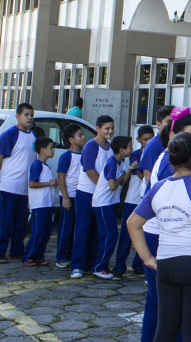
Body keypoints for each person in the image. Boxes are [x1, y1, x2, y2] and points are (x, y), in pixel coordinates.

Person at [127, 132, 191, 342]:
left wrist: (148, 259)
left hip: (166, 265)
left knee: (165, 331)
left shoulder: (158, 187)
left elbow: (132, 223)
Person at [139, 107, 191, 342]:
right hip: (162, 237)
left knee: (158, 304)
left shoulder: (170, 157)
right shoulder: (172, 164)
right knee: (167, 308)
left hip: (161, 235)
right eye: (189, 136)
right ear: (174, 134)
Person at [0, 103, 36, 263]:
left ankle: (17, 250)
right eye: (26, 114)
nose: (29, 117)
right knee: (5, 220)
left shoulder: (33, 136)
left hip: (24, 187)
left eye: (31, 115)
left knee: (21, 221)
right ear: (18, 116)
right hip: (9, 185)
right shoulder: (9, 135)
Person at [71, 115, 115, 278]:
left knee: (97, 230)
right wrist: (102, 188)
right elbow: (89, 169)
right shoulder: (91, 145)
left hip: (100, 196)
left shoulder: (110, 148)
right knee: (83, 228)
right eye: (106, 128)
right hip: (87, 192)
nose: (110, 131)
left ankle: (91, 263)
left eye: (111, 128)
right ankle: (77, 265)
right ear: (97, 129)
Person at [92, 135, 135, 279]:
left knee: (109, 234)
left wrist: (128, 170)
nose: (132, 149)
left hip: (108, 202)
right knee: (110, 234)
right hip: (102, 202)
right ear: (121, 150)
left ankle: (102, 265)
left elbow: (122, 183)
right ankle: (99, 266)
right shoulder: (111, 162)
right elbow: (112, 186)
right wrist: (122, 175)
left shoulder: (121, 162)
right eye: (129, 146)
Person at [115, 126, 153, 278]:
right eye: (145, 139)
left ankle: (139, 264)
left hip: (145, 200)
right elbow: (139, 172)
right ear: (138, 140)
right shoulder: (135, 154)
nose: (148, 142)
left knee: (144, 233)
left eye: (150, 138)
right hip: (132, 199)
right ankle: (119, 267)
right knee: (126, 233)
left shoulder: (154, 153)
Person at [55, 123, 85, 268]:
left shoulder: (85, 154)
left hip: (80, 196)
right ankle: (61, 255)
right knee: (66, 226)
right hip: (69, 195)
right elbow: (61, 177)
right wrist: (65, 197)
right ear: (71, 139)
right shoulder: (66, 156)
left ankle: (73, 254)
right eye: (80, 135)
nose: (83, 137)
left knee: (78, 227)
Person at [24, 137, 57, 266]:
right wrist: (49, 183)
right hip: (40, 205)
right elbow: (32, 184)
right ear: (42, 150)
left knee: (46, 232)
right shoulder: (37, 165)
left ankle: (39, 255)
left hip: (48, 204)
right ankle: (28, 256)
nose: (53, 150)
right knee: (38, 232)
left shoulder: (46, 166)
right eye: (51, 148)